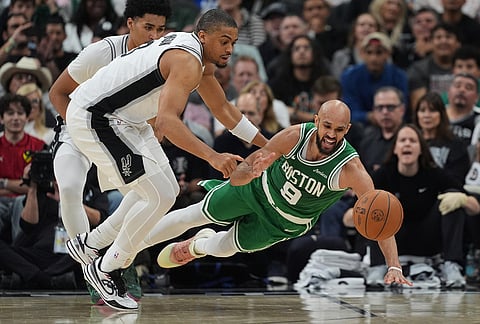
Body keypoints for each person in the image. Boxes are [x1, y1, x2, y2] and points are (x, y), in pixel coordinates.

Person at [64, 9, 268, 311]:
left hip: (128, 120)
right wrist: (213, 156)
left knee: (166, 192)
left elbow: (224, 109)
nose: (230, 49)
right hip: (98, 116)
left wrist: (270, 146)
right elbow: (166, 124)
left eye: (234, 43)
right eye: (224, 41)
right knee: (156, 195)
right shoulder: (187, 61)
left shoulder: (199, 61)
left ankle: (90, 245)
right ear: (203, 36)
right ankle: (106, 268)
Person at [127, 100, 412, 290]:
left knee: (226, 247)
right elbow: (253, 163)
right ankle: (126, 251)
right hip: (257, 189)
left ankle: (195, 248)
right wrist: (247, 170)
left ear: (347, 130)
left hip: (284, 222)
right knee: (196, 212)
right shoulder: (294, 136)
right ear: (316, 121)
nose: (331, 135)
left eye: (339, 130)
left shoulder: (352, 169)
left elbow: (380, 219)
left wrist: (394, 265)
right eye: (326, 126)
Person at [48, 0, 172, 304]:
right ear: (129, 23)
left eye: (160, 29)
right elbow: (57, 92)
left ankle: (119, 261)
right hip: (79, 129)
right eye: (148, 27)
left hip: (126, 132)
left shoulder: (163, 55)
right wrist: (83, 131)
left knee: (150, 194)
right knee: (69, 187)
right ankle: (89, 270)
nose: (155, 35)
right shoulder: (102, 52)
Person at [354, 124, 480, 288]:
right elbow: (348, 216)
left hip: (428, 239)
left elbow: (476, 207)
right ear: (395, 149)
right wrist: (363, 213)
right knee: (375, 204)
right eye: (403, 140)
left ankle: (452, 265)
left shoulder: (434, 173)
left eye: (412, 140)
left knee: (451, 201)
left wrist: (462, 200)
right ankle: (377, 266)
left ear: (421, 149)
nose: (407, 144)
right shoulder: (383, 174)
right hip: (393, 241)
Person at [0, 94, 46, 243]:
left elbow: (38, 188)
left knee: (23, 201)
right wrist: (20, 186)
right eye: (10, 113)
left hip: (26, 202)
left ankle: (17, 255)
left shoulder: (39, 147)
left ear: (27, 118)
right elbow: (27, 185)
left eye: (20, 113)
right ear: (1, 118)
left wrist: (4, 183)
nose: (15, 118)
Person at [340, 32, 408, 126]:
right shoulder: (349, 76)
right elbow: (349, 111)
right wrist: (368, 116)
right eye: (369, 52)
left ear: (388, 54)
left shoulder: (399, 76)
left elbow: (403, 109)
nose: (373, 58)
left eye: (379, 53)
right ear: (362, 54)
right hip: (359, 127)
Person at [413, 91, 470, 185]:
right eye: (422, 110)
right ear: (417, 115)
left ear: (441, 114)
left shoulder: (456, 144)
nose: (427, 115)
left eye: (432, 110)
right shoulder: (410, 142)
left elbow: (457, 181)